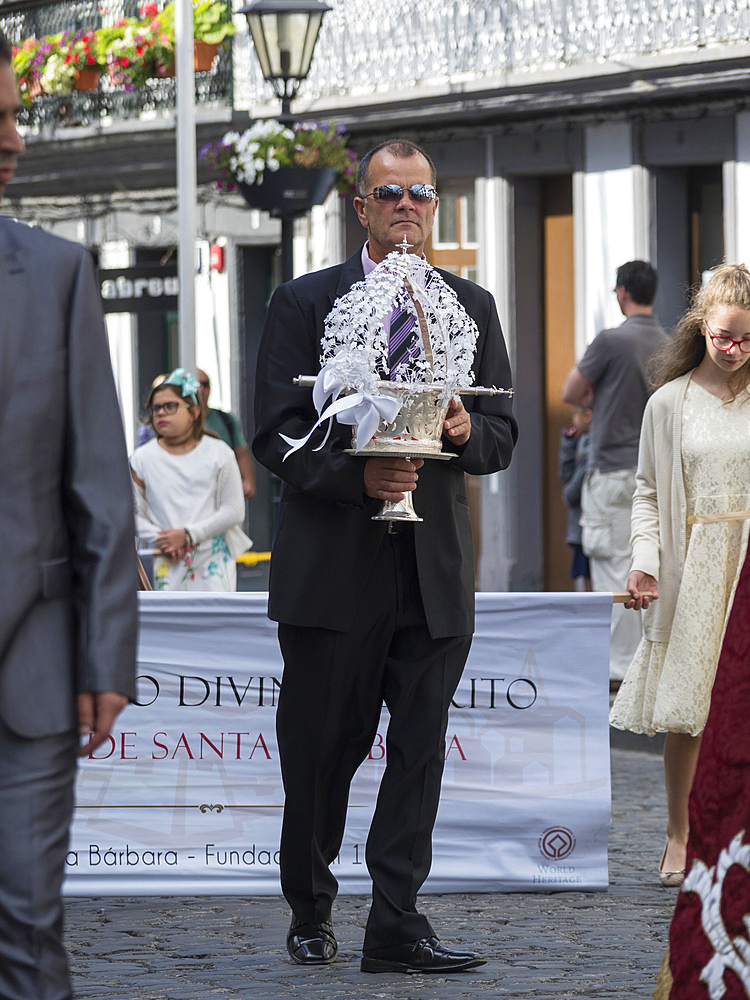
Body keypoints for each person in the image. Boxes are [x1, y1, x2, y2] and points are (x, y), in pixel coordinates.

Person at [253, 138, 517, 974]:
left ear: (436, 206)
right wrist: (355, 475)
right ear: (359, 206)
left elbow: (506, 431)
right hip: (333, 571)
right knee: (323, 747)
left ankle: (396, 921)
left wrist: (470, 432)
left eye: (422, 193)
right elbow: (274, 433)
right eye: (389, 192)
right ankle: (310, 907)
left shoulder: (470, 304)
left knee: (420, 754)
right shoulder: (304, 302)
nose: (407, 205)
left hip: (432, 574)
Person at [0, 29, 137, 1000]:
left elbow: (97, 484)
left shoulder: (56, 275)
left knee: (26, 923)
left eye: (14, 114)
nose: (14, 138)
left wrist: (105, 660)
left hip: (33, 669)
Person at [609, 263, 750, 887]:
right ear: (701, 327)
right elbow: (645, 492)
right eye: (724, 336)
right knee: (688, 711)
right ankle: (678, 835)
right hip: (694, 565)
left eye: (747, 338)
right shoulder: (669, 402)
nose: (734, 349)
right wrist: (643, 561)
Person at [562, 261, 668, 681]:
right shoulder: (668, 342)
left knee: (613, 573)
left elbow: (570, 391)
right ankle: (641, 666)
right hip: (650, 471)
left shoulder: (610, 340)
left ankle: (619, 672)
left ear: (622, 292)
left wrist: (595, 395)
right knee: (644, 568)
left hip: (609, 469)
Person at [130, 368, 251, 591]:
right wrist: (165, 539)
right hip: (166, 562)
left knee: (216, 625)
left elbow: (234, 510)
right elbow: (130, 514)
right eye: (156, 408)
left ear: (194, 412)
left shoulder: (220, 452)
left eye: (170, 406)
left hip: (213, 567)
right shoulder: (141, 459)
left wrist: (187, 535)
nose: (160, 413)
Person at [196, 368, 256, 500]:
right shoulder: (179, 422)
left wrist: (248, 481)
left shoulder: (226, 419)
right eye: (196, 384)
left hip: (223, 490)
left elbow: (241, 453)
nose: (201, 389)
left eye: (205, 384)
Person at [559, 405, 593, 590]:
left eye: (575, 416)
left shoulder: (592, 448)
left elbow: (570, 495)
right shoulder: (582, 442)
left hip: (588, 529)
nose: (573, 422)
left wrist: (567, 493)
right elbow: (565, 476)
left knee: (590, 582)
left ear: (587, 416)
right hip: (580, 531)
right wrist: (568, 445)